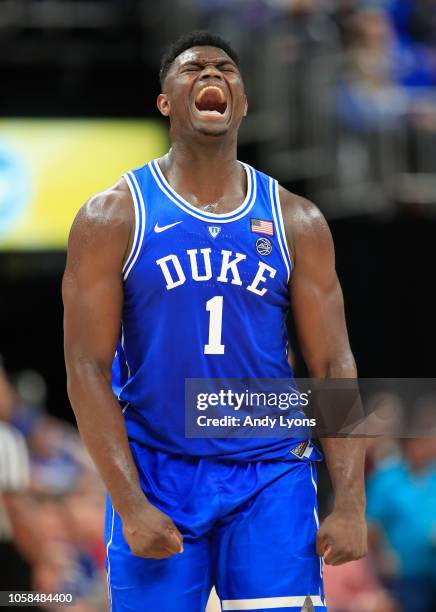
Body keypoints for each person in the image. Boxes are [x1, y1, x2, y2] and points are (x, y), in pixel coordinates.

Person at [63, 30, 367, 612]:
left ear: (243, 103)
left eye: (226, 69)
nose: (212, 74)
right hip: (157, 470)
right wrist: (129, 504)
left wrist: (350, 499)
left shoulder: (295, 219)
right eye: (193, 68)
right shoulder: (112, 216)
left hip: (269, 471)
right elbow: (85, 368)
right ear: (165, 102)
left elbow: (332, 363)